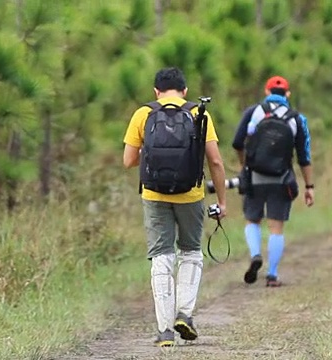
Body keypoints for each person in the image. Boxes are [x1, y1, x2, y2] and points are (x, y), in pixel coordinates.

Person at [122, 67, 228, 347]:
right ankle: (185, 313)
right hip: (191, 195)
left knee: (161, 255)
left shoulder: (143, 114)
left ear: (156, 91)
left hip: (154, 195)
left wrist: (153, 157)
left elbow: (128, 160)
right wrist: (222, 201)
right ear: (185, 91)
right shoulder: (197, 113)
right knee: (191, 251)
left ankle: (165, 330)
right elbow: (215, 161)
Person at [231, 75, 314, 287]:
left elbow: (237, 142)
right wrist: (309, 186)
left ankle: (256, 254)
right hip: (282, 179)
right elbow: (304, 156)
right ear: (288, 94)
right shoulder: (297, 118)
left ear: (267, 92)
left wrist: (244, 165)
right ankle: (272, 274)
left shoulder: (253, 112)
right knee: (276, 228)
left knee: (252, 220)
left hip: (255, 176)